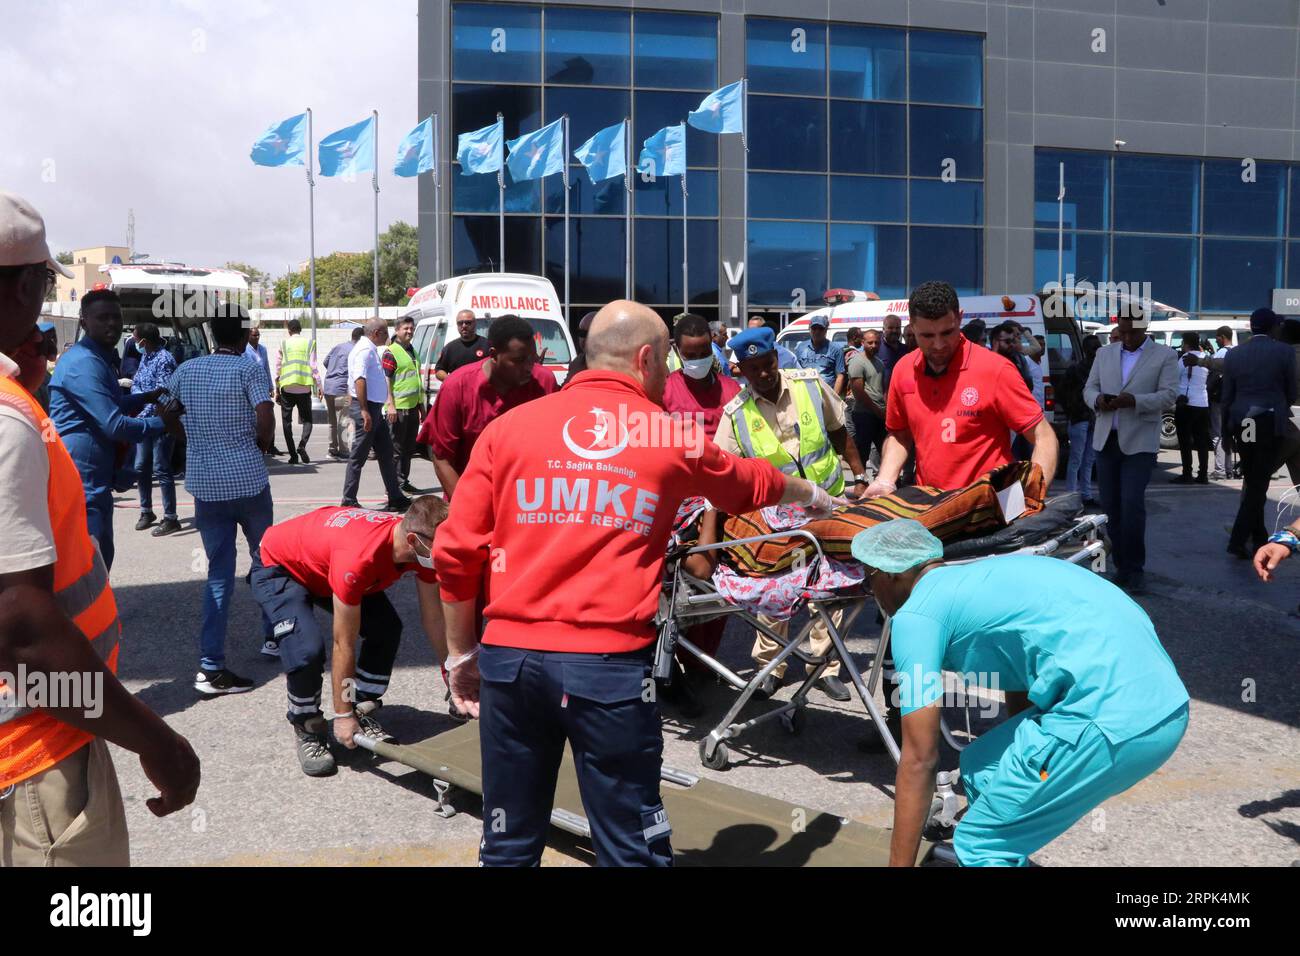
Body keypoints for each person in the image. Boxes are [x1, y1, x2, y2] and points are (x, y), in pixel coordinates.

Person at [433, 299, 844, 867]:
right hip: (608, 670)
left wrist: (461, 655)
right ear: (647, 358)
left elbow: (455, 552)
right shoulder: (666, 435)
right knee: (630, 847)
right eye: (667, 359)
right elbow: (748, 483)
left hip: (512, 665)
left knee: (507, 842)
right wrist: (816, 495)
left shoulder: (507, 430)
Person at [0, 190, 199, 866]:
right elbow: (23, 627)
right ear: (26, 284)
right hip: (34, 753)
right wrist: (154, 739)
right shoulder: (8, 419)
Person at [851, 520, 1188, 867]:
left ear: (892, 574)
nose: (868, 588)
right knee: (983, 767)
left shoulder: (917, 615)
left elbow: (919, 759)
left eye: (868, 577)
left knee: (981, 846)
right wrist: (1031, 768)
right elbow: (1021, 674)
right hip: (1166, 706)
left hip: (1112, 722)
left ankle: (996, 854)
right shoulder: (983, 578)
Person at [717, 325, 870, 703]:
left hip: (830, 503)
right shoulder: (735, 414)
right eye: (754, 368)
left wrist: (861, 476)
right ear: (742, 371)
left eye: (768, 364)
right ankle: (771, 666)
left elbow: (839, 431)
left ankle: (824, 667)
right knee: (775, 593)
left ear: (776, 359)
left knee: (831, 589)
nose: (764, 373)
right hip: (776, 518)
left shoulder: (809, 384)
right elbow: (722, 469)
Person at [251, 496, 452, 776]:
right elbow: (343, 643)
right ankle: (308, 725)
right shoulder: (359, 558)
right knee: (306, 650)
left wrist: (451, 672)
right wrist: (341, 716)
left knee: (386, 627)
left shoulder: (417, 544)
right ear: (414, 542)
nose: (449, 555)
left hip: (325, 560)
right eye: (443, 548)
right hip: (281, 566)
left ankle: (361, 707)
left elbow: (434, 617)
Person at [168, 304, 276, 693]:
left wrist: (187, 438)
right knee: (265, 561)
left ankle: (211, 664)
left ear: (212, 333)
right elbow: (265, 414)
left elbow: (166, 409)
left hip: (206, 488)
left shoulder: (187, 370)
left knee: (218, 573)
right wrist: (260, 444)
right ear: (245, 333)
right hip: (248, 482)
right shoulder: (249, 368)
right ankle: (274, 635)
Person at [867, 281, 1058, 497]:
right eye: (927, 336)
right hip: (932, 507)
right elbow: (899, 435)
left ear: (959, 318)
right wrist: (885, 480)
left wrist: (1032, 492)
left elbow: (1043, 436)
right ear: (911, 327)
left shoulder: (995, 370)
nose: (938, 345)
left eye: (947, 333)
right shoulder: (903, 370)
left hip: (991, 507)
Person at [49, 289, 168, 571]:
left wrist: (146, 397)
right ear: (84, 321)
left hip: (94, 478)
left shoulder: (97, 358)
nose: (111, 324)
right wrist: (164, 423)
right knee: (91, 567)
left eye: (116, 317)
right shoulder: (85, 363)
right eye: (102, 317)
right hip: (82, 483)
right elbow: (114, 424)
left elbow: (108, 402)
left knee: (100, 558)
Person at [1083, 312, 1180, 594]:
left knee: (1132, 505)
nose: (1125, 338)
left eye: (1131, 333)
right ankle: (1121, 566)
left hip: (1139, 442)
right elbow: (1089, 388)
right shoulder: (1105, 353)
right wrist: (1097, 400)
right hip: (1106, 439)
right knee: (1111, 507)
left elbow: (1169, 395)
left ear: (1143, 329)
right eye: (1121, 332)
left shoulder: (1164, 356)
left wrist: (1135, 401)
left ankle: (1135, 568)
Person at [419, 314, 557, 501]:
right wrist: (467, 508)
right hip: (472, 499)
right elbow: (442, 458)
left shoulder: (544, 383)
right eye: (519, 360)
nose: (528, 367)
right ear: (493, 355)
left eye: (532, 359)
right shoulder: (457, 386)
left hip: (528, 503)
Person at [1220, 308, 1296, 559]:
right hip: (1268, 422)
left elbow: (1227, 396)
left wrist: (1225, 430)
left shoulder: (1235, 354)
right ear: (1274, 327)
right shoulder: (1284, 352)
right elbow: (1291, 391)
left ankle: (1258, 536)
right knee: (1257, 484)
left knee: (1253, 479)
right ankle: (1238, 540)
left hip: (1243, 422)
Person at [341, 318, 411, 513]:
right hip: (367, 408)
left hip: (373, 408)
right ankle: (348, 499)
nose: (388, 336)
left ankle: (395, 496)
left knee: (386, 453)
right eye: (385, 332)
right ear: (376, 333)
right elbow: (359, 380)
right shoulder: (364, 350)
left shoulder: (369, 347)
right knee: (359, 455)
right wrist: (363, 410)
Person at [130, 322, 181, 536]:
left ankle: (170, 517)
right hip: (144, 422)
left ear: (144, 341)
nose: (134, 343)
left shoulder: (164, 359)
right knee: (141, 467)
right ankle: (146, 511)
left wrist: (143, 413)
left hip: (160, 420)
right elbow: (138, 383)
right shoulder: (146, 356)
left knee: (161, 468)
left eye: (135, 339)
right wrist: (137, 394)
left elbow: (162, 393)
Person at [662, 312, 740, 440]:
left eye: (704, 353)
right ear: (678, 351)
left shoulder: (732, 390)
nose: (698, 360)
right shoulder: (664, 391)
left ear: (711, 346)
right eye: (691, 355)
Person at [382, 315, 425, 495]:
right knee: (396, 450)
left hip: (412, 407)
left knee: (408, 449)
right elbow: (386, 381)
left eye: (411, 328)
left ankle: (403, 480)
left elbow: (416, 380)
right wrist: (390, 405)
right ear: (397, 331)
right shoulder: (391, 352)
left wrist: (421, 405)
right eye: (405, 328)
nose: (409, 331)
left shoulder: (412, 351)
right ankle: (393, 486)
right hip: (397, 409)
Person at [1058, 334, 1101, 507]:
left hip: (1092, 418)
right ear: (1086, 350)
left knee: (1088, 459)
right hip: (1081, 418)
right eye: (1094, 348)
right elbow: (1061, 393)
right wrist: (1071, 411)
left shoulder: (1099, 369)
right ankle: (1072, 495)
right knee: (1077, 458)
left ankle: (1085, 494)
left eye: (1098, 347)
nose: (1096, 351)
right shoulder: (1075, 369)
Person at [274, 318, 319, 465]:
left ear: (289, 330)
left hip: (287, 386)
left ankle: (293, 455)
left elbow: (278, 366)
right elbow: (314, 366)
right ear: (300, 329)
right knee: (308, 420)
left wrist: (277, 387)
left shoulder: (283, 343)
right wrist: (319, 385)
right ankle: (302, 445)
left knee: (287, 422)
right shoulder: (309, 343)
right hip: (304, 386)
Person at [1170, 331, 1211, 485]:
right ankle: (1203, 474)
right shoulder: (1205, 359)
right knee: (1201, 441)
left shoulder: (1184, 359)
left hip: (1186, 404)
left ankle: (1187, 473)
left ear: (1186, 343)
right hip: (1202, 403)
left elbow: (1174, 376)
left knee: (1185, 440)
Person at [847, 327, 887, 474]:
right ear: (863, 342)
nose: (874, 345)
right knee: (862, 451)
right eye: (870, 342)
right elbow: (858, 392)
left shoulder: (879, 362)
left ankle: (885, 481)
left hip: (879, 414)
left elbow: (882, 388)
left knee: (885, 449)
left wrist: (885, 408)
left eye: (877, 342)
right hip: (864, 414)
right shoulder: (857, 361)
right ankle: (861, 482)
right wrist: (877, 410)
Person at [322, 327, 363, 459]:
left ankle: (332, 449)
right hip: (342, 389)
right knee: (344, 420)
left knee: (332, 421)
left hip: (328, 387)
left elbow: (325, 362)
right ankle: (345, 451)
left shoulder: (338, 347)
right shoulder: (356, 350)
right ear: (361, 339)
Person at [793, 314, 846, 393]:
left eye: (821, 329)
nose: (817, 332)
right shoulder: (800, 348)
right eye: (814, 328)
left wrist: (834, 399)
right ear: (809, 329)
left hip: (826, 395)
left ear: (826, 330)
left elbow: (840, 376)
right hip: (805, 394)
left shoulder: (836, 349)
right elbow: (795, 372)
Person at [434, 309, 487, 381]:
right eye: (460, 323)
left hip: (481, 390)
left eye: (468, 322)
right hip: (458, 391)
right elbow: (439, 370)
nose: (464, 326)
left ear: (475, 323)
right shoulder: (450, 348)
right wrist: (452, 380)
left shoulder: (487, 345)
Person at [567, 310, 596, 378]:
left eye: (591, 333)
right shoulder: (577, 363)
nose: (585, 339)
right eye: (582, 333)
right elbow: (564, 387)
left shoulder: (614, 365)